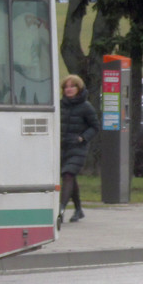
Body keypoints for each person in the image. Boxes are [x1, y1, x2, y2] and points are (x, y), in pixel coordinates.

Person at [59, 73, 98, 225]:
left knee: (68, 175)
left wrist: (82, 137)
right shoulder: (60, 105)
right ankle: (78, 209)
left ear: (79, 88)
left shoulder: (86, 107)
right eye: (66, 87)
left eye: (72, 86)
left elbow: (95, 127)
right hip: (62, 146)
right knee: (70, 176)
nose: (69, 89)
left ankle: (61, 209)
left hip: (78, 147)